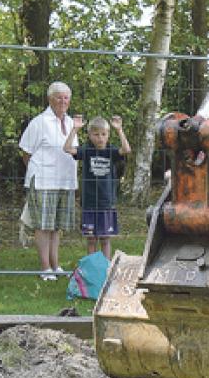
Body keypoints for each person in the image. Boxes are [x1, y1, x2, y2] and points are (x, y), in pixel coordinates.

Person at [19, 82, 82, 281]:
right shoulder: (39, 122)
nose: (63, 101)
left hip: (65, 181)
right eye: (59, 97)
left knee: (56, 226)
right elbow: (26, 153)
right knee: (43, 226)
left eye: (66, 98)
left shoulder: (73, 122)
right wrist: (39, 171)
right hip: (44, 181)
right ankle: (45, 268)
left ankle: (56, 265)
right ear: (50, 99)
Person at [64, 115, 131, 259]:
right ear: (89, 135)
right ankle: (92, 268)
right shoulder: (87, 150)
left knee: (105, 239)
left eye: (103, 134)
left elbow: (126, 149)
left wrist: (119, 130)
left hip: (106, 203)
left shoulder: (111, 151)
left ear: (108, 135)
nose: (100, 138)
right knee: (91, 239)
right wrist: (75, 129)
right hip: (89, 203)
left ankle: (106, 269)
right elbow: (67, 148)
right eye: (96, 134)